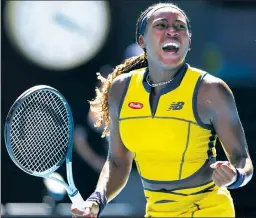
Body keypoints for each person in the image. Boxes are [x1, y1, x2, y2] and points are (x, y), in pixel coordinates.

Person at [71, 2, 254, 217]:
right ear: (142, 41)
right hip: (156, 210)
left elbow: (242, 158)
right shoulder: (120, 89)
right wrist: (96, 200)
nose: (172, 31)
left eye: (180, 26)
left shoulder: (211, 90)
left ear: (189, 41)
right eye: (161, 25)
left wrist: (235, 177)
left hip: (208, 209)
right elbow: (118, 162)